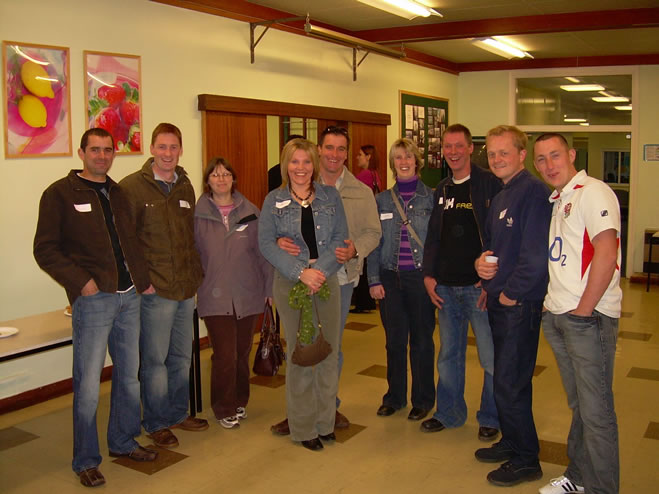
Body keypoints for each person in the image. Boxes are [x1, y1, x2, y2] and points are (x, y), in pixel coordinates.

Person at [34, 128, 157, 487]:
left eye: (107, 150)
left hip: (129, 295)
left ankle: (122, 441)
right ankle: (86, 459)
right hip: (94, 300)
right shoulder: (59, 194)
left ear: (114, 153)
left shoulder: (119, 192)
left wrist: (143, 277)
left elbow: (131, 241)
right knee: (88, 385)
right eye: (95, 150)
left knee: (128, 378)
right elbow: (46, 249)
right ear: (81, 152)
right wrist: (81, 282)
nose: (102, 156)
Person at [270, 126, 381, 434]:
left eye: (341, 149)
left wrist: (355, 248)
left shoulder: (360, 190)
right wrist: (279, 241)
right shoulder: (302, 180)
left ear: (347, 153)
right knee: (301, 345)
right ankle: (302, 414)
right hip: (298, 278)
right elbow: (276, 233)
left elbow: (373, 231)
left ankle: (327, 408)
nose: (334, 154)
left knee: (331, 346)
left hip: (340, 278)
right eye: (329, 148)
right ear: (319, 150)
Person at [533, 134, 622, 494]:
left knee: (597, 413)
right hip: (559, 315)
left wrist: (583, 311)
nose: (549, 165)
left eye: (555, 155)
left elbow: (606, 251)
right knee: (581, 406)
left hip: (588, 318)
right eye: (540, 159)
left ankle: (601, 488)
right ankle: (579, 477)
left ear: (571, 155)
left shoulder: (593, 192)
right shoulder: (560, 199)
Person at [120, 123, 207, 449]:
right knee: (154, 361)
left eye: (173, 147)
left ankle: (176, 413)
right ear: (152, 149)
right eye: (162, 147)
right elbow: (126, 242)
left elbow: (190, 237)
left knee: (182, 357)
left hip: (185, 288)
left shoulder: (185, 186)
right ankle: (156, 422)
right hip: (156, 291)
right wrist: (143, 283)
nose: (168, 153)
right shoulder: (133, 188)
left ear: (180, 150)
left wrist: (196, 276)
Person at [258, 138, 349, 451]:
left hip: (326, 280)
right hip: (290, 282)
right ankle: (302, 427)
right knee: (300, 354)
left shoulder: (330, 196)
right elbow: (266, 244)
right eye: (294, 162)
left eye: (306, 162)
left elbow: (340, 239)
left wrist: (318, 272)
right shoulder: (274, 200)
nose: (300, 168)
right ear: (286, 165)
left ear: (316, 164)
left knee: (327, 351)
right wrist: (301, 272)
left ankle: (325, 423)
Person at [474, 125, 552, 487]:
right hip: (501, 300)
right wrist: (482, 271)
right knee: (508, 380)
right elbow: (494, 247)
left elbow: (535, 257)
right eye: (491, 154)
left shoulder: (534, 193)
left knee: (510, 382)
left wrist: (511, 294)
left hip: (519, 305)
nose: (496, 159)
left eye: (504, 152)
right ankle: (512, 440)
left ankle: (526, 459)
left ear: (522, 155)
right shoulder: (503, 193)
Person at [421, 124, 501, 441]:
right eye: (447, 147)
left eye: (458, 146)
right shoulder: (441, 189)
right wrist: (429, 276)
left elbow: (499, 237)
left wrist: (491, 283)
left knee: (490, 357)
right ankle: (449, 412)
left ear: (470, 148)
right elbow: (432, 239)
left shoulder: (489, 185)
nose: (452, 152)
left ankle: (491, 417)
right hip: (446, 288)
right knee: (448, 354)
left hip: (478, 288)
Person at [195, 157, 273, 429]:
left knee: (241, 353)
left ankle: (240, 400)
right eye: (215, 175)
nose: (221, 179)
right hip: (214, 295)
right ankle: (223, 406)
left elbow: (263, 253)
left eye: (226, 174)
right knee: (224, 355)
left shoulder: (250, 210)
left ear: (233, 179)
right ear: (208, 181)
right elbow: (191, 256)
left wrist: (269, 288)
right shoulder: (197, 214)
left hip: (247, 294)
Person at [367, 138, 436, 421]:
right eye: (398, 158)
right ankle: (394, 397)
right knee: (394, 341)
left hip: (420, 279)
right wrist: (373, 279)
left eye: (408, 156)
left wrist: (435, 277)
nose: (404, 162)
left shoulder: (431, 198)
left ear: (417, 160)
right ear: (393, 163)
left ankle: (422, 399)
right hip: (390, 278)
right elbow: (374, 241)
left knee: (422, 340)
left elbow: (437, 243)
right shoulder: (382, 199)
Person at [351, 144, 381, 313]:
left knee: (361, 261)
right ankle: (366, 301)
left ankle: (362, 301)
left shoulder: (364, 175)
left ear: (368, 156)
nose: (357, 157)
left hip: (362, 222)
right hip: (372, 219)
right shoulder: (376, 175)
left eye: (360, 155)